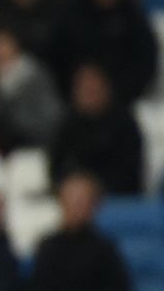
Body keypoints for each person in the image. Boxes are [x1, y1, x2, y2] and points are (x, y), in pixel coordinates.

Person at [21, 173, 134, 291]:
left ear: (94, 206)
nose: (75, 204)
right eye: (71, 198)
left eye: (82, 199)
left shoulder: (105, 250)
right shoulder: (47, 247)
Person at [49, 63, 144, 198]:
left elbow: (130, 171)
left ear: (106, 89)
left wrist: (95, 187)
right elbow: (56, 166)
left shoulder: (125, 125)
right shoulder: (68, 125)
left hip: (117, 198)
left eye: (94, 88)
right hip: (76, 195)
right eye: (84, 88)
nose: (89, 94)